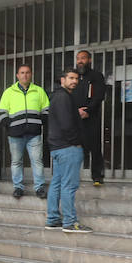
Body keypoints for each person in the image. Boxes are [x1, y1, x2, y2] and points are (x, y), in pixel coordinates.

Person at [47, 68, 92, 233]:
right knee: (68, 186)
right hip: (68, 148)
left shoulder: (58, 97)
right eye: (71, 78)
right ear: (62, 80)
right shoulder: (63, 97)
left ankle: (52, 218)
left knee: (57, 183)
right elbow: (67, 125)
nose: (74, 81)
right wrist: (76, 143)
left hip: (58, 147)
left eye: (76, 78)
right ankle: (70, 222)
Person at [0, 64, 48, 199]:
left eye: (27, 72)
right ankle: (18, 188)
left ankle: (39, 188)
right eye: (22, 73)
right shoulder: (8, 92)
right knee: (16, 161)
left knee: (37, 161)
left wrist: (41, 121)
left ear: (31, 74)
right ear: (17, 76)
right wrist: (9, 125)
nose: (24, 75)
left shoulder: (39, 91)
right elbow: (2, 112)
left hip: (34, 133)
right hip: (15, 134)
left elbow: (46, 109)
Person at [74, 51, 107, 186]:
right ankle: (74, 176)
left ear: (89, 60)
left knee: (94, 146)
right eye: (78, 59)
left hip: (91, 117)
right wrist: (75, 111)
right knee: (75, 147)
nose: (80, 61)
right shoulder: (74, 77)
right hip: (75, 117)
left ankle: (97, 176)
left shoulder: (96, 76)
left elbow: (99, 96)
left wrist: (88, 110)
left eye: (83, 58)